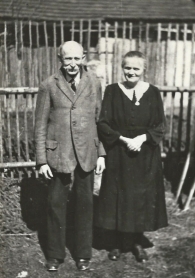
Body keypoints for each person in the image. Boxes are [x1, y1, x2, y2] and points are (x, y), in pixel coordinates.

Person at [34, 41, 105, 271]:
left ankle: (83, 254)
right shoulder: (48, 85)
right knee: (55, 204)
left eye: (76, 58)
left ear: (83, 57)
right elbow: (40, 125)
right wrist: (42, 159)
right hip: (59, 153)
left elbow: (100, 120)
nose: (72, 64)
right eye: (68, 59)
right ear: (60, 59)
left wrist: (101, 153)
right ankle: (54, 255)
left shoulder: (94, 82)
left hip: (87, 151)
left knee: (85, 204)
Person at [95, 51, 168, 262]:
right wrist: (124, 140)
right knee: (118, 196)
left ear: (144, 70)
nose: (131, 72)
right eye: (128, 68)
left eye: (136, 68)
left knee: (140, 198)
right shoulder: (112, 91)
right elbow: (103, 123)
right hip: (119, 153)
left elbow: (160, 125)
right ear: (122, 68)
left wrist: (143, 138)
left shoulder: (153, 92)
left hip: (145, 156)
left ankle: (136, 242)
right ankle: (117, 244)